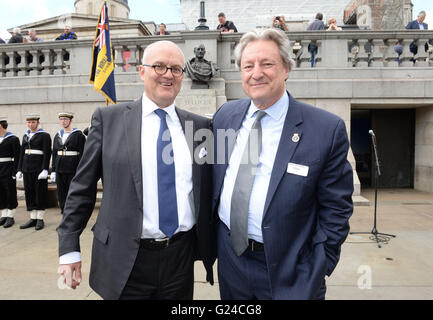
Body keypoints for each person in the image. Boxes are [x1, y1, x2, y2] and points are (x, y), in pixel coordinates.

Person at [57, 40, 215, 300]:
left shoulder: (200, 127)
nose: (168, 74)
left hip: (180, 259)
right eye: (159, 66)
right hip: (125, 258)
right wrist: (69, 247)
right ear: (142, 71)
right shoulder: (109, 120)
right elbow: (81, 188)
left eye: (175, 69)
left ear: (182, 76)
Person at [212, 28, 354, 300]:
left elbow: (337, 207)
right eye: (248, 65)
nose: (256, 73)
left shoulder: (325, 129)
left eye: (267, 64)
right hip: (232, 263)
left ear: (286, 69)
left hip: (292, 270)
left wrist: (319, 265)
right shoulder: (224, 118)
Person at [16, 114, 52, 231]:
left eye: (33, 122)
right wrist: (19, 169)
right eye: (29, 122)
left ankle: (40, 219)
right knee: (30, 192)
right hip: (27, 168)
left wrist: (45, 169)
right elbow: (22, 153)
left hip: (38, 169)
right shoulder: (25, 135)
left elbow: (47, 153)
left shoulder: (44, 135)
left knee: (39, 192)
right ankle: (33, 218)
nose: (31, 124)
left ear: (38, 123)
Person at [51, 112, 86, 215]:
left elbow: (82, 154)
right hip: (59, 168)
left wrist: (81, 170)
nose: (63, 121)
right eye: (61, 119)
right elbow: (54, 154)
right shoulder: (58, 135)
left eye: (65, 119)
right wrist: (53, 170)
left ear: (70, 120)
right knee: (61, 192)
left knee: (73, 192)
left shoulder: (78, 135)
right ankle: (64, 212)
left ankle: (73, 213)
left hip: (72, 168)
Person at [0, 117, 21, 228]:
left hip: (8, 168)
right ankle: (4, 215)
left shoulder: (13, 139)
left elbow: (17, 156)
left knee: (10, 192)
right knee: (1, 192)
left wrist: (16, 171)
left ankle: (10, 216)